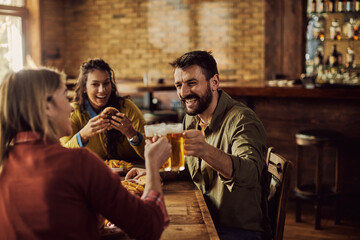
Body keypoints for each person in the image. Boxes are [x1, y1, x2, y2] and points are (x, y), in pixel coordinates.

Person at [0, 68, 170, 240]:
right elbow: (149, 226)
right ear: (47, 107)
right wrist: (153, 165)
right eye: (65, 96)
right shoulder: (78, 162)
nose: (70, 108)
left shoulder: (5, 163)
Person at [127, 50, 271, 240]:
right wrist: (154, 172)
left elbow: (251, 174)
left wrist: (205, 150)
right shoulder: (191, 119)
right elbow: (189, 168)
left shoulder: (242, 120)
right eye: (179, 85)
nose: (184, 92)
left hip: (237, 230)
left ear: (214, 82)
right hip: (205, 215)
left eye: (192, 83)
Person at [60, 59, 146, 161]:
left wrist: (132, 133)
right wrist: (82, 136)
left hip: (133, 174)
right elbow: (62, 157)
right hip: (91, 175)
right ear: (84, 88)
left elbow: (151, 152)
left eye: (106, 83)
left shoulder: (127, 107)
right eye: (95, 84)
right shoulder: (73, 112)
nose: (102, 90)